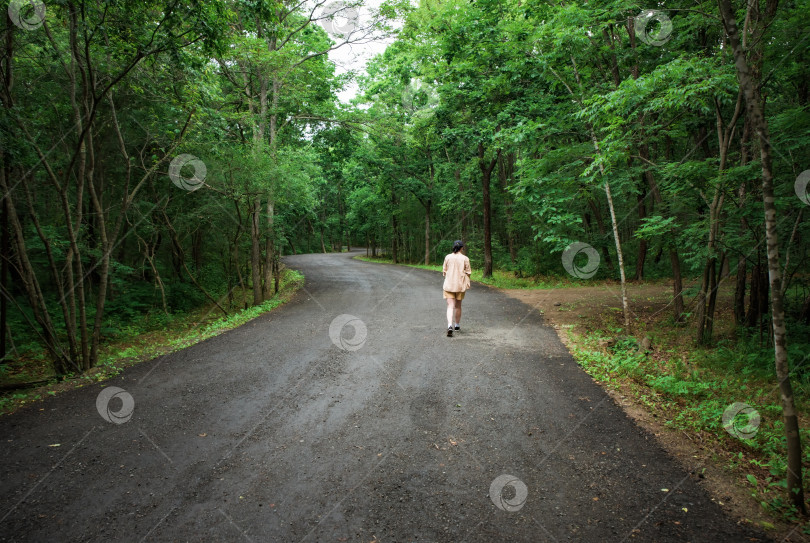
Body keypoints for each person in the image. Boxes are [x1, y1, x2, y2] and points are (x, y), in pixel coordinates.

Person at [442, 240, 472, 337]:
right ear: (462, 248)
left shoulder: (447, 257)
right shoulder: (465, 258)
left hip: (449, 285)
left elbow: (444, 271)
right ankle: (457, 325)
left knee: (450, 306)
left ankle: (449, 325)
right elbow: (468, 272)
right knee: (458, 306)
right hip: (460, 286)